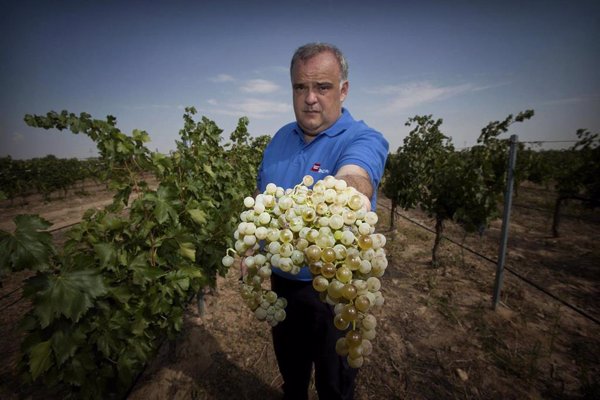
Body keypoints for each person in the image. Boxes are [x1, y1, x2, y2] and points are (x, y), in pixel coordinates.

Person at [254, 42, 389, 400]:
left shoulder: (363, 138)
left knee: (334, 386)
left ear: (343, 90)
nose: (310, 98)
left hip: (334, 293)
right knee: (292, 376)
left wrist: (351, 192)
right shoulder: (279, 139)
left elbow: (357, 173)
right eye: (301, 87)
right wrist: (254, 246)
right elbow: (262, 205)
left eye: (322, 87)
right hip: (283, 286)